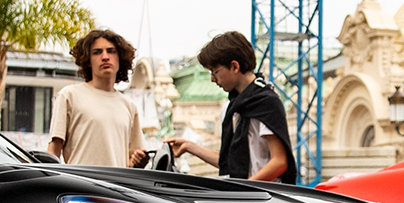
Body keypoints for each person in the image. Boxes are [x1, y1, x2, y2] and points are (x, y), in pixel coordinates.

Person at [166, 30, 290, 182]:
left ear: (234, 66)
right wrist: (188, 146)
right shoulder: (231, 108)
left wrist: (242, 189)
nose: (212, 79)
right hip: (242, 195)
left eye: (215, 71)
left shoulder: (266, 102)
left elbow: (279, 162)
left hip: (264, 197)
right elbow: (229, 164)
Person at [47, 29, 148, 168]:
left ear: (120, 58)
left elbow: (132, 162)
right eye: (97, 52)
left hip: (115, 188)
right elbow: (53, 151)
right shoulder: (69, 96)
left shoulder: (129, 106)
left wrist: (138, 161)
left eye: (111, 51)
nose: (105, 57)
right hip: (80, 186)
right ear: (88, 60)